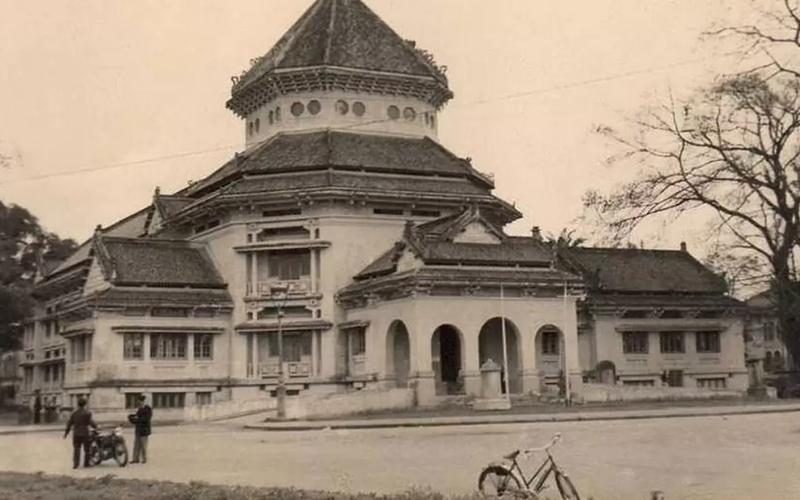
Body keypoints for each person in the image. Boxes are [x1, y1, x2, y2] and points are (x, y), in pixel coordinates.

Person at [63, 398, 97, 469]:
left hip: (76, 433)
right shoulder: (87, 413)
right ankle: (86, 463)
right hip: (85, 433)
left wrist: (66, 433)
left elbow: (69, 423)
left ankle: (76, 464)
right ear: (85, 404)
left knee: (76, 448)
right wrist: (95, 426)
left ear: (78, 404)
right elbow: (91, 422)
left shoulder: (74, 413)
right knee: (87, 449)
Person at [128, 395, 152, 464]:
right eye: (138, 402)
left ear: (143, 402)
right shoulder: (139, 409)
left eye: (140, 402)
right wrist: (131, 418)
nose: (139, 404)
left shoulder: (148, 409)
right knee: (136, 445)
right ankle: (135, 459)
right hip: (138, 430)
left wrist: (137, 419)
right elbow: (136, 419)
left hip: (144, 430)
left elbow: (146, 419)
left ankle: (144, 459)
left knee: (143, 445)